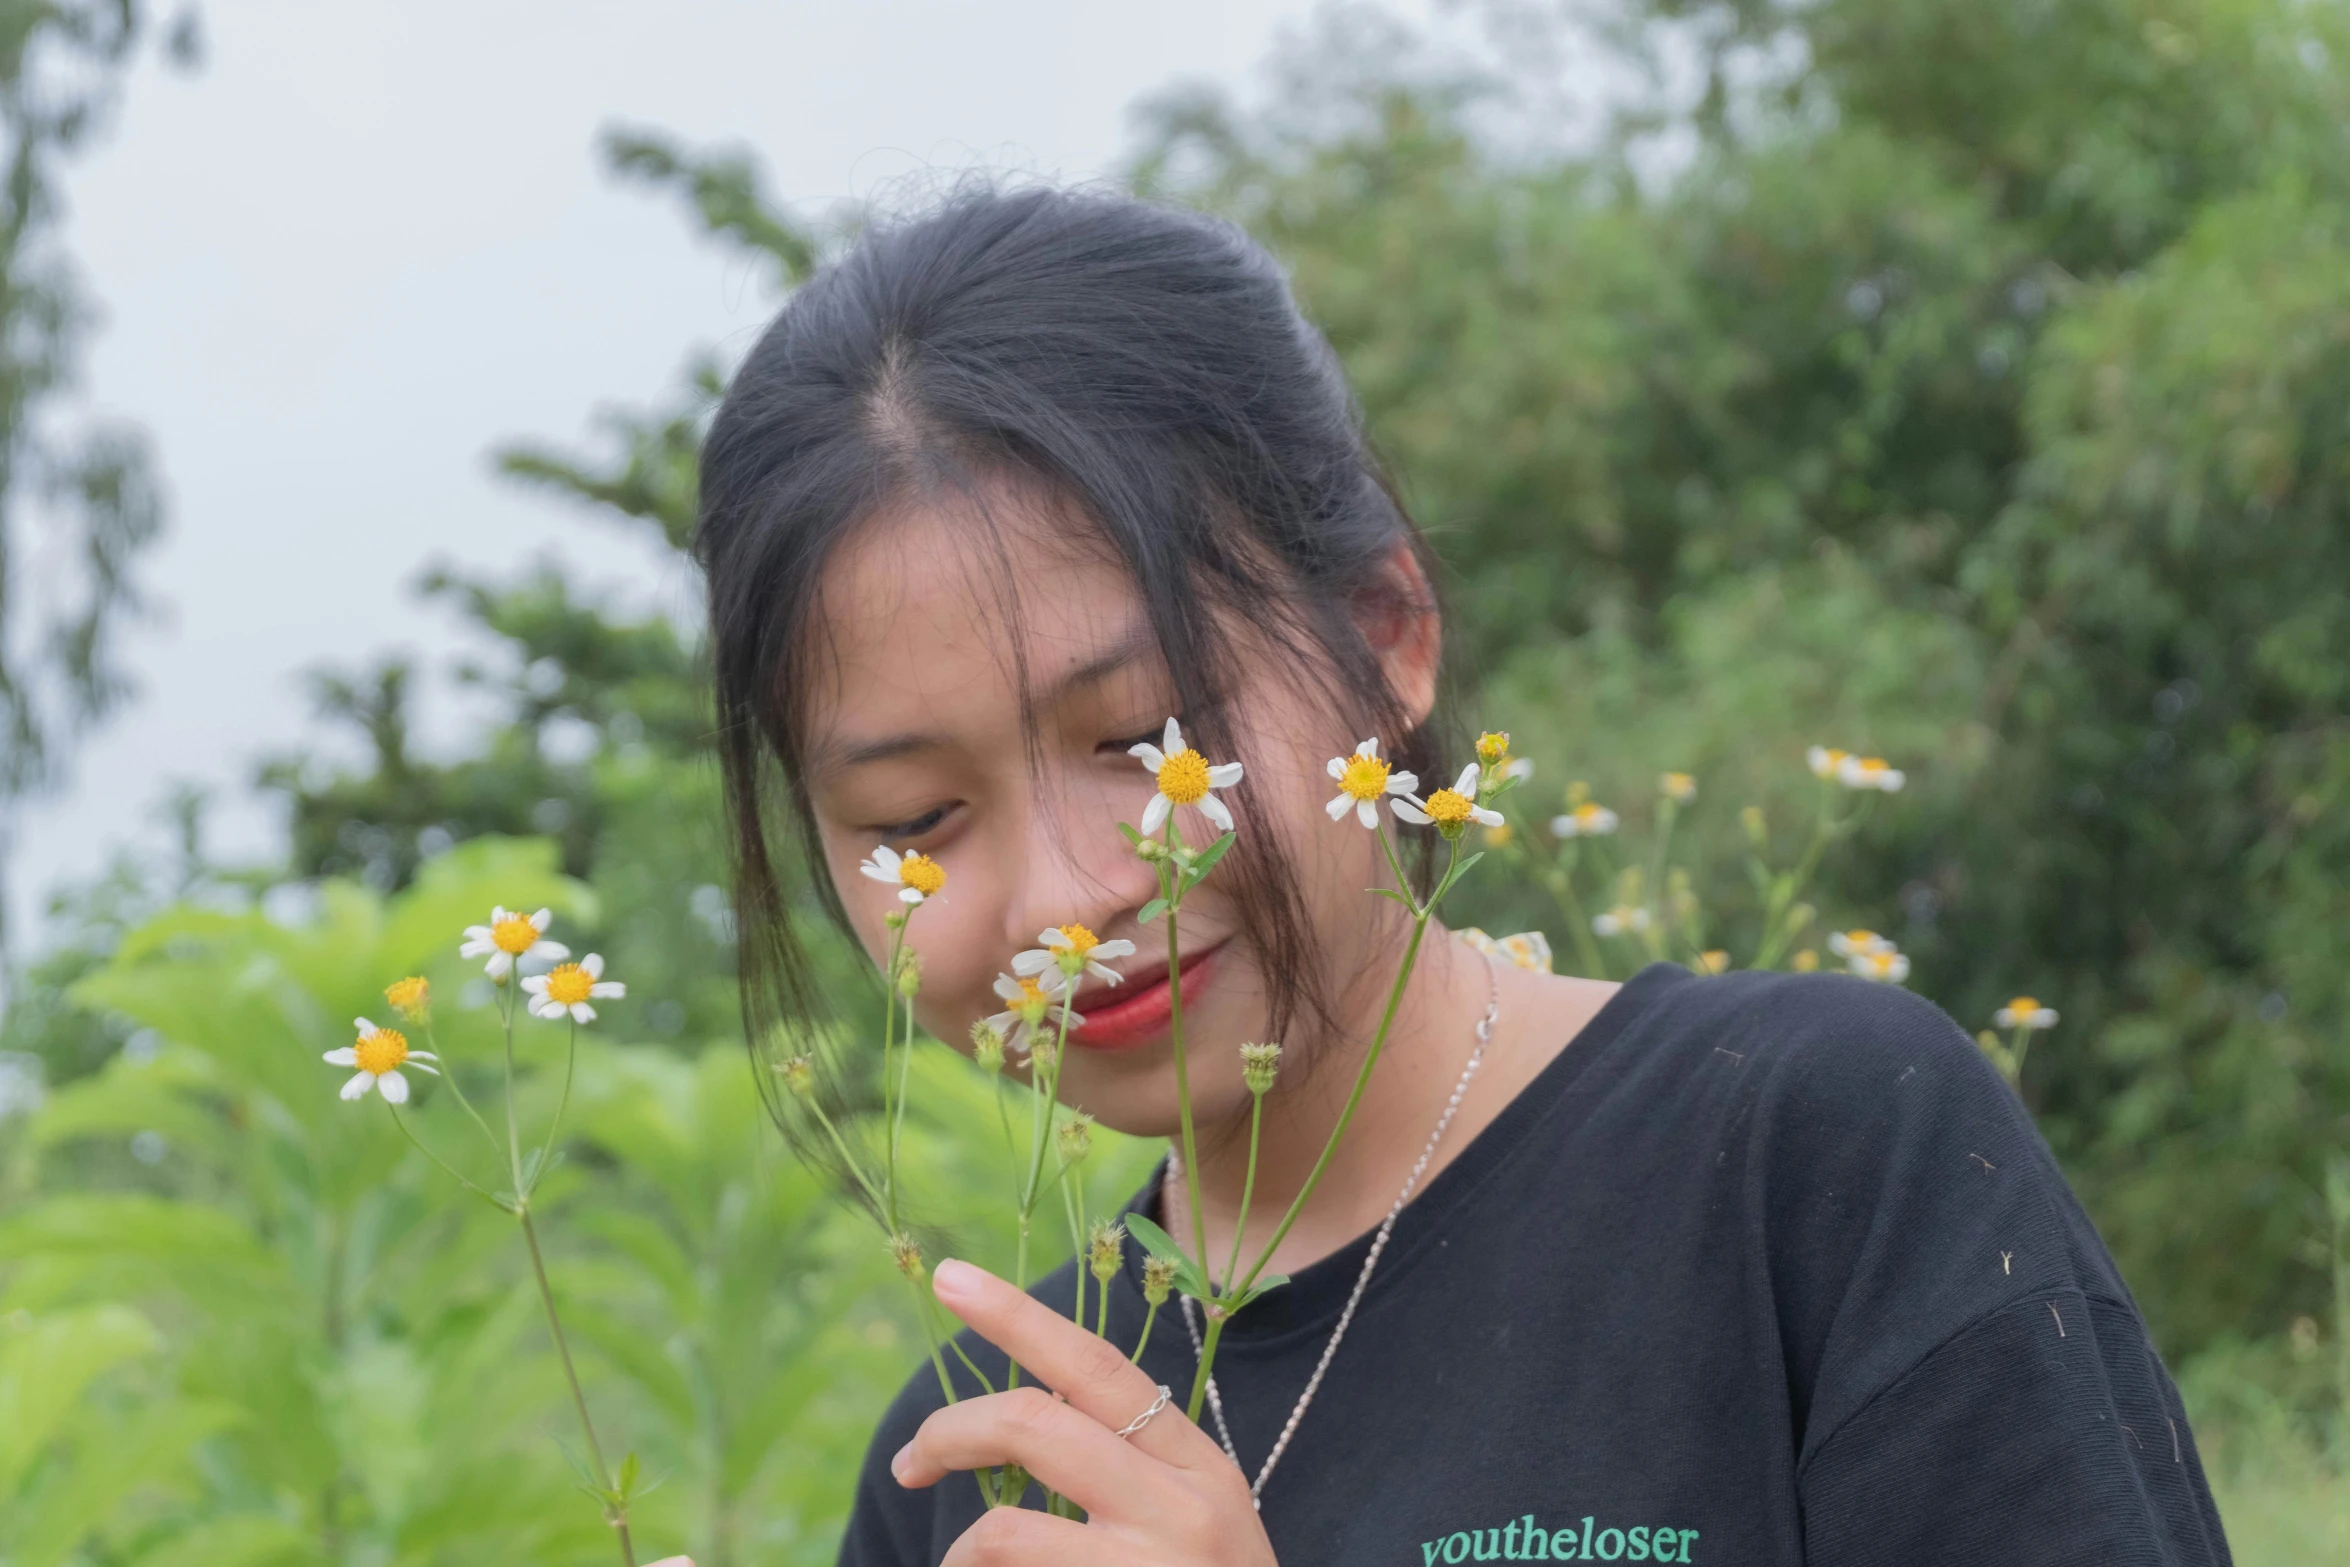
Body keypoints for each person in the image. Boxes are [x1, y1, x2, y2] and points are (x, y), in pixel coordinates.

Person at [649, 186, 2230, 1567]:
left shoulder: (1805, 1154)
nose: (1066, 898)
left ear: (1386, 635)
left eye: (1148, 739)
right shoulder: (971, 1448)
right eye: (915, 818)